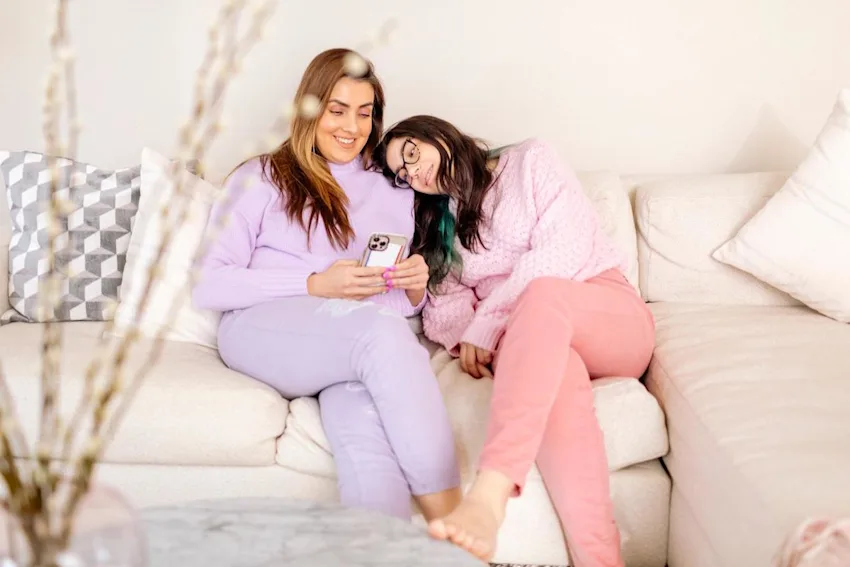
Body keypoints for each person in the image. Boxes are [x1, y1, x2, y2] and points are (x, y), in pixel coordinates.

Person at [373, 115, 656, 566]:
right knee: (557, 393)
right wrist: (480, 333)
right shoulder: (439, 230)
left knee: (542, 293)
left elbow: (563, 249)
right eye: (404, 175)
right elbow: (445, 314)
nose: (415, 173)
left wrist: (488, 323)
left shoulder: (529, 161)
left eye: (412, 153)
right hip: (537, 347)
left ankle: (490, 493)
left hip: (605, 314)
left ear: (437, 134)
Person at [192, 52, 462, 523]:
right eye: (337, 110)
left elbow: (391, 304)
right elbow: (209, 283)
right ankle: (459, 528)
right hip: (263, 331)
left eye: (365, 113)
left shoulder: (395, 188)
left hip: (351, 340)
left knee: (365, 437)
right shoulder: (260, 177)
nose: (351, 127)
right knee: (377, 334)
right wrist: (314, 284)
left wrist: (415, 288)